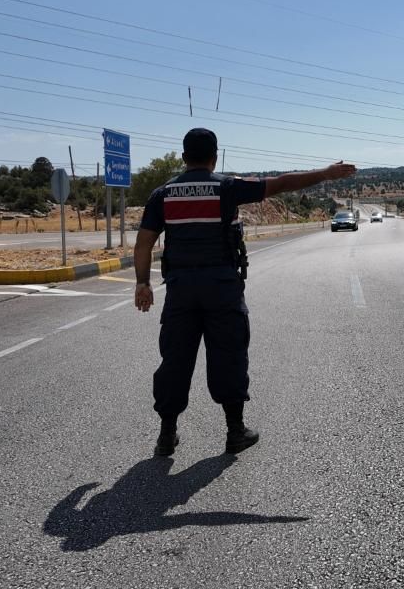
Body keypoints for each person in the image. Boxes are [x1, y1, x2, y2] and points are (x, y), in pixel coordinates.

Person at [134, 128, 356, 456]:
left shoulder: (162, 195)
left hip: (181, 290)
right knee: (229, 355)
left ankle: (167, 435)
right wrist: (324, 174)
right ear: (214, 156)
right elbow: (281, 183)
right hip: (221, 289)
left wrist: (143, 283)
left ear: (183, 158)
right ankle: (235, 432)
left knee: (175, 359)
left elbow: (144, 242)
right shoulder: (226, 188)